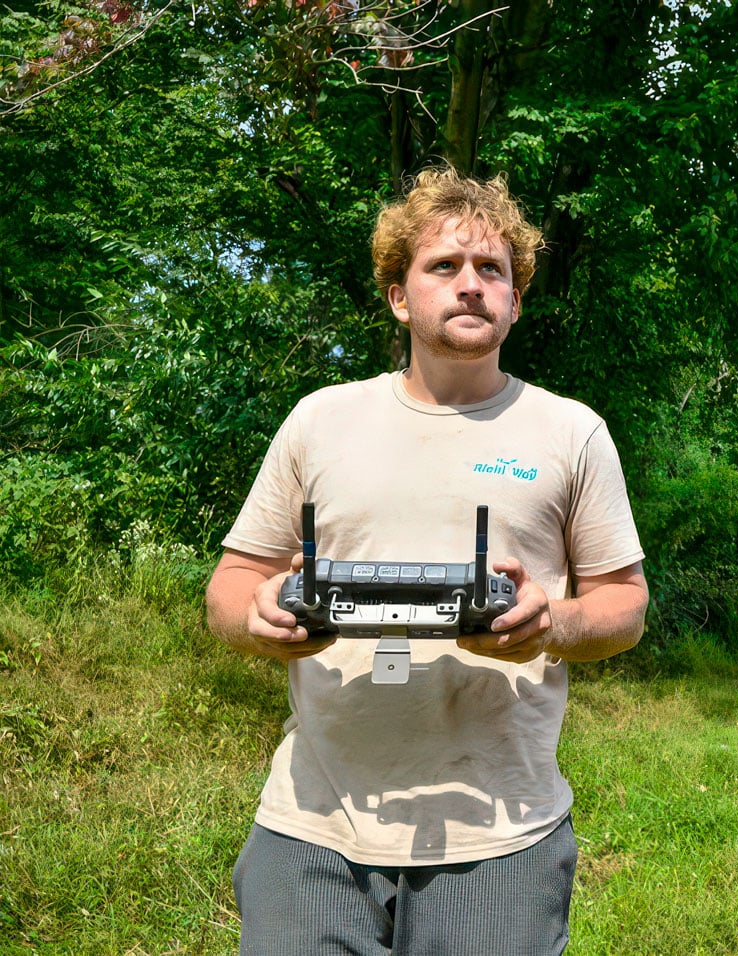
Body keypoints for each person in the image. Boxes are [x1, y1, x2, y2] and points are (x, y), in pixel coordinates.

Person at [204, 167, 648, 954]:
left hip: (501, 835)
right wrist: (258, 614)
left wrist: (549, 622)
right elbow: (230, 587)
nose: (471, 286)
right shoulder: (320, 421)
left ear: (515, 301)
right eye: (444, 266)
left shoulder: (571, 432)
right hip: (311, 826)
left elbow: (625, 606)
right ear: (400, 296)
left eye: (493, 271)